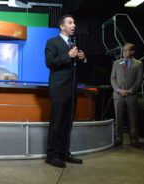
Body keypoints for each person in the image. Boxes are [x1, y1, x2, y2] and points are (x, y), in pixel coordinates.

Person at [44, 15, 86, 168]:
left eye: (74, 22)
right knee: (56, 123)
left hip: (72, 90)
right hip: (59, 89)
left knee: (67, 124)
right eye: (70, 22)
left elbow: (73, 67)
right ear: (62, 26)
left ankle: (64, 153)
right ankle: (51, 155)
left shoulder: (73, 43)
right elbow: (49, 63)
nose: (73, 25)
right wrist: (68, 56)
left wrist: (82, 58)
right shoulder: (52, 42)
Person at [110, 43, 143, 148]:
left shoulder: (138, 64)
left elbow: (139, 80)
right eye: (123, 50)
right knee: (118, 118)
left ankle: (134, 139)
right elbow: (112, 79)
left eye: (127, 50)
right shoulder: (116, 63)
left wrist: (129, 91)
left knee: (133, 118)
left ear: (132, 52)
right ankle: (118, 138)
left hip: (131, 95)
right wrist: (119, 90)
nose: (124, 52)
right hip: (118, 95)